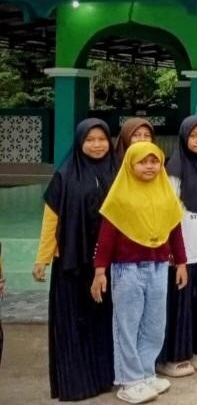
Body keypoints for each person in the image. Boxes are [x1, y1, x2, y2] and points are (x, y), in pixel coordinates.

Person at [91, 142, 187, 404]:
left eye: (154, 161)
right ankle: (129, 380)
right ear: (130, 164)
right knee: (127, 325)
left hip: (158, 267)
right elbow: (106, 237)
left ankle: (146, 373)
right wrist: (100, 271)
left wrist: (181, 263)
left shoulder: (165, 193)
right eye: (143, 162)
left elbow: (174, 230)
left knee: (155, 325)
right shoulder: (120, 196)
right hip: (127, 268)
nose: (149, 166)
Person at [33, 119, 118, 401]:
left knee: (101, 321)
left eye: (101, 139)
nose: (96, 145)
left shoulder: (117, 173)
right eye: (90, 140)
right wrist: (42, 259)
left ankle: (102, 378)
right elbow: (51, 220)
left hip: (106, 264)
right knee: (74, 323)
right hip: (71, 262)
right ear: (80, 143)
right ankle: (75, 383)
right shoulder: (65, 175)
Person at [158, 116, 197, 378]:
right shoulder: (173, 169)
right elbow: (169, 212)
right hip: (182, 251)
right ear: (184, 137)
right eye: (194, 136)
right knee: (179, 304)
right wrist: (173, 250)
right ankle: (174, 355)